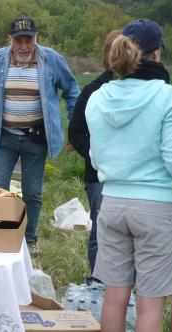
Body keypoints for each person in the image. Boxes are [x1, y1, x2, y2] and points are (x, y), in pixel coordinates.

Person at [86, 19, 172, 332]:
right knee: (151, 306)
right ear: (156, 54)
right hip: (157, 206)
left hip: (114, 202)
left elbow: (94, 155)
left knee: (113, 297)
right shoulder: (168, 97)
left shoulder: (97, 98)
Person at [0, 16, 79, 254]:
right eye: (18, 40)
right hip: (4, 136)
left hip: (36, 137)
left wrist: (74, 126)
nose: (23, 46)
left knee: (32, 191)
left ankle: (29, 238)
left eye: (28, 40)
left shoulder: (51, 59)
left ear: (36, 38)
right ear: (9, 40)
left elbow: (72, 90)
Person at [68, 30, 121, 274]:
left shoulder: (143, 91)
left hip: (131, 178)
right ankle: (98, 285)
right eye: (114, 52)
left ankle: (125, 289)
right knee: (100, 232)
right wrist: (97, 155)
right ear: (107, 57)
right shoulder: (93, 90)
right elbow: (76, 131)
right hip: (98, 175)